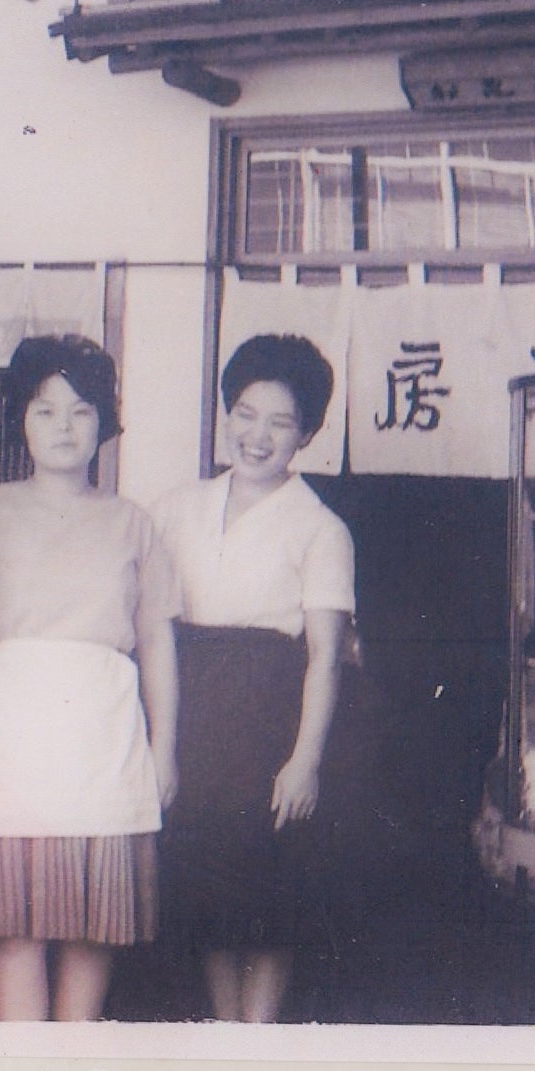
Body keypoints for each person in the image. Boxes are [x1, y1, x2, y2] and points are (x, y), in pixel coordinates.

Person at [0, 335, 181, 1022]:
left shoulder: (132, 523)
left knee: (91, 924)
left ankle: (73, 1059)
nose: (64, 428)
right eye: (45, 410)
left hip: (102, 738)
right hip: (7, 740)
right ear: (20, 419)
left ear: (104, 421)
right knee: (14, 926)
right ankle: (24, 1066)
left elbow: (155, 640)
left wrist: (164, 750)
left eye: (80, 411)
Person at [150, 334, 355, 1023]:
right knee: (208, 896)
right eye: (245, 413)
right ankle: (225, 1036)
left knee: (268, 897)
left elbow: (325, 655)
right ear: (225, 413)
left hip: (270, 721)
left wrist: (305, 761)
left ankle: (257, 1042)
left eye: (280, 422)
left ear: (307, 434)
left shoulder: (320, 528)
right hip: (192, 714)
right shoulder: (175, 508)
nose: (257, 436)